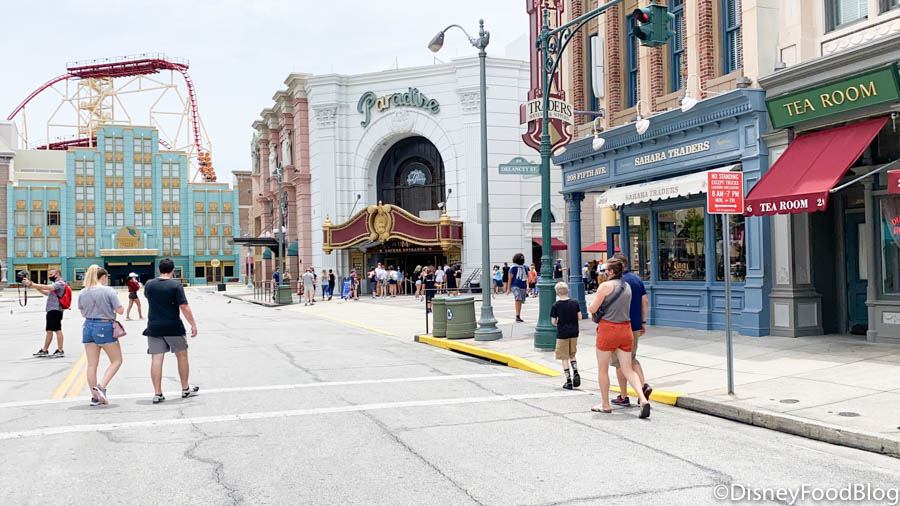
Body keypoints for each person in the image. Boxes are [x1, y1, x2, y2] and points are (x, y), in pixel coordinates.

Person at [587, 258, 649, 418]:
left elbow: (593, 308)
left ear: (612, 272)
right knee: (628, 368)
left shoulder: (605, 286)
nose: (604, 272)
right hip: (625, 329)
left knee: (603, 369)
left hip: (608, 328)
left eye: (606, 270)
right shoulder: (626, 287)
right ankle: (642, 399)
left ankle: (605, 404)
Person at [143, 258, 199, 404]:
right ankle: (185, 389)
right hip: (173, 326)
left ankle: (158, 393)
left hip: (154, 326)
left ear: (158, 270)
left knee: (156, 358)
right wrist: (192, 324)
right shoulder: (176, 285)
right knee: (182, 356)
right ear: (173, 271)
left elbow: (149, 298)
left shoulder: (149, 285)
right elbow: (184, 306)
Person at [78, 265, 125, 406]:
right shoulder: (108, 290)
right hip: (104, 326)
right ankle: (101, 386)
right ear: (103, 277)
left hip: (88, 326)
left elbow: (83, 313)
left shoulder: (82, 292)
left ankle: (94, 397)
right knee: (117, 360)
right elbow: (120, 310)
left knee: (92, 364)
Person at [610, 253, 652, 406]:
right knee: (632, 357)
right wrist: (643, 321)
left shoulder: (615, 282)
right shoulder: (637, 279)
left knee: (620, 363)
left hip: (619, 326)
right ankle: (643, 385)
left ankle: (623, 395)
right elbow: (645, 301)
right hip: (635, 324)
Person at [25, 268, 68, 358]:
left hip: (56, 310)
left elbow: (48, 287)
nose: (49, 276)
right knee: (49, 331)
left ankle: (60, 350)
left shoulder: (60, 283)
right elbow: (46, 292)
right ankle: (45, 350)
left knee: (57, 330)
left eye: (51, 274)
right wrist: (34, 286)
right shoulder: (55, 284)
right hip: (51, 310)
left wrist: (33, 284)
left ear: (57, 274)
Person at [551, 282, 581, 390]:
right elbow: (580, 317)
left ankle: (568, 380)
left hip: (562, 333)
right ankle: (576, 371)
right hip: (574, 332)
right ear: (568, 291)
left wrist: (559, 323)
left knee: (564, 357)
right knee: (572, 354)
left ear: (557, 293)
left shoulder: (556, 305)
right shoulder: (575, 303)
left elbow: (553, 321)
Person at [505, 253, 529, 323]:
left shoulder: (525, 267)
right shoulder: (513, 268)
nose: (522, 259)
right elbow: (510, 278)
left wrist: (527, 286)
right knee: (518, 298)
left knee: (521, 300)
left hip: (523, 285)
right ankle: (517, 316)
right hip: (515, 285)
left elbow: (526, 277)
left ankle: (518, 315)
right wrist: (508, 288)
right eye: (520, 258)